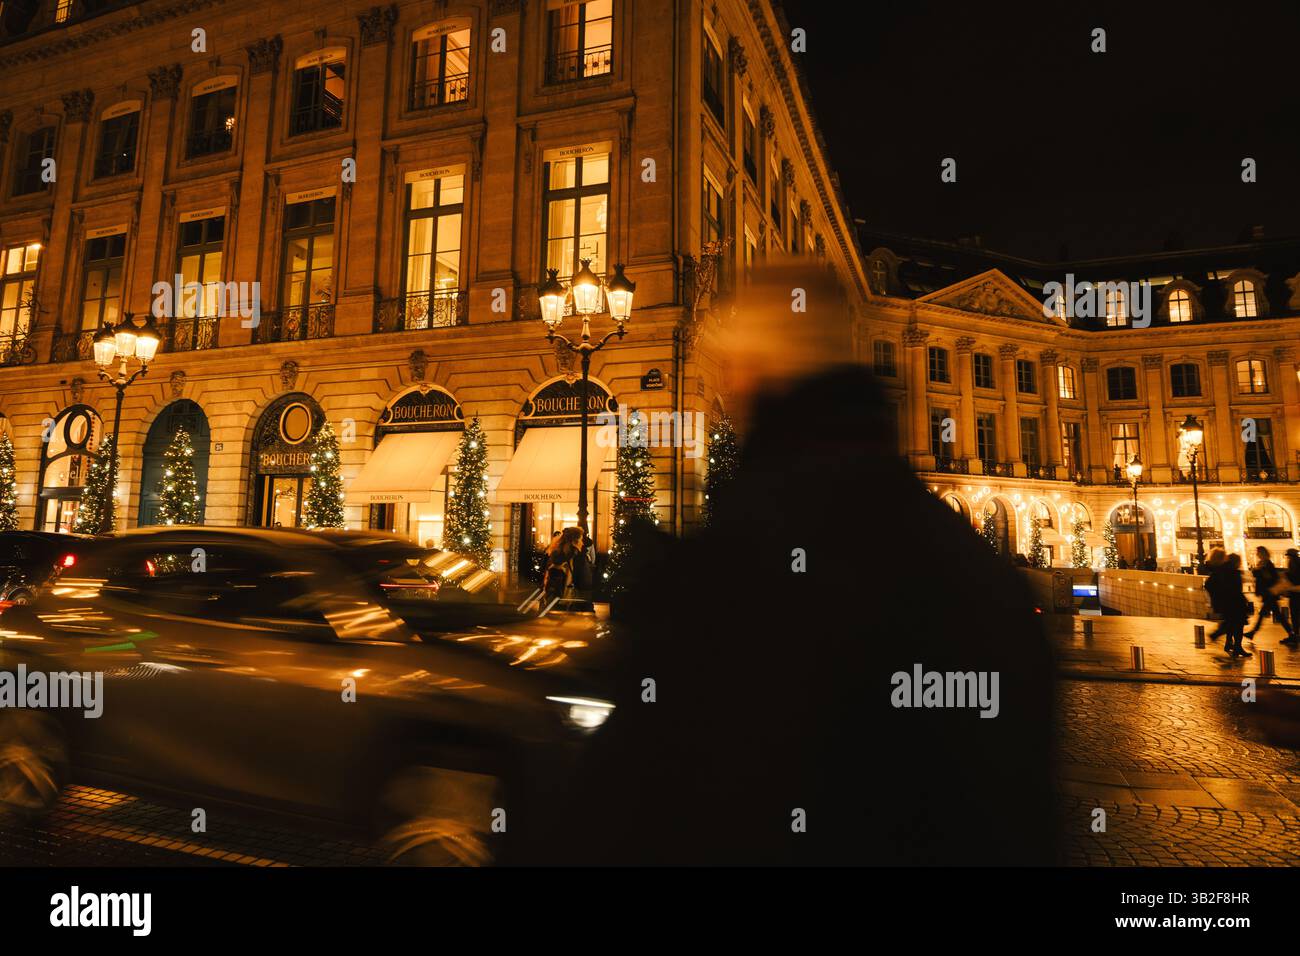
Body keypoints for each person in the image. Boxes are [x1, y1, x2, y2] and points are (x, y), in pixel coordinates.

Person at [514, 260, 1058, 865]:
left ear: (753, 374)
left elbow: (623, 810)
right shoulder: (980, 576)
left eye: (736, 360)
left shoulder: (737, 571)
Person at [1206, 553, 1251, 657]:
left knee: (1233, 624)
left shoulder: (1223, 570)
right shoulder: (1231, 572)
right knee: (1238, 625)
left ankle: (1230, 644)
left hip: (1229, 603)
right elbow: (1236, 589)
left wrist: (1218, 598)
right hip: (1234, 602)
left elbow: (1210, 584)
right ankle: (1235, 646)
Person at [1247, 546, 1293, 639]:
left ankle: (1253, 632)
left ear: (1263, 553)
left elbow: (1271, 578)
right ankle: (1291, 633)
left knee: (1267, 614)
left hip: (1269, 593)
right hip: (1267, 593)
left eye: (1258, 552)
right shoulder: (1262, 563)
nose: (1257, 554)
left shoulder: (1268, 564)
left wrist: (1260, 571)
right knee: (1277, 614)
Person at [541, 527, 579, 604]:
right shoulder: (569, 548)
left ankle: (552, 602)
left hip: (558, 570)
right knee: (558, 589)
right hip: (560, 571)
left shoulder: (559, 547)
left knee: (555, 589)